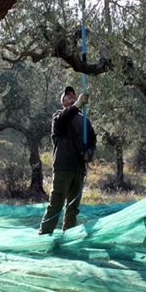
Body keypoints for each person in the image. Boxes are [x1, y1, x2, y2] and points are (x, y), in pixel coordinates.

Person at [39, 85, 97, 234]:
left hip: (79, 169)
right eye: (67, 95)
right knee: (56, 204)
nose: (71, 95)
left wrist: (89, 153)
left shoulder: (85, 121)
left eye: (73, 94)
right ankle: (44, 235)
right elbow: (60, 124)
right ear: (63, 103)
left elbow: (92, 141)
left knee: (73, 208)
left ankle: (68, 237)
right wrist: (77, 105)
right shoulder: (59, 115)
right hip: (63, 167)